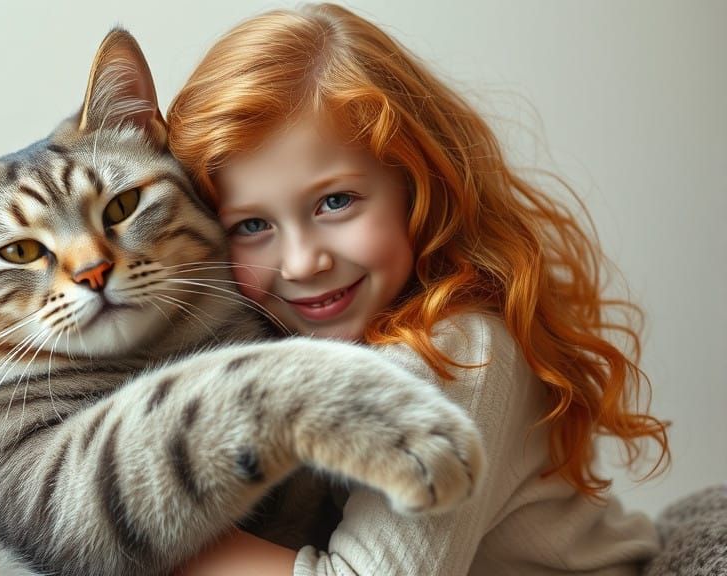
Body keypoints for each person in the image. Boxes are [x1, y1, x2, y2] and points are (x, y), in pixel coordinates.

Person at [165, 4, 670, 575]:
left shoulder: (453, 347)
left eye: (335, 202)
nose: (303, 262)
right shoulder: (299, 346)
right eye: (251, 226)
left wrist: (138, 533)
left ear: (417, 184)